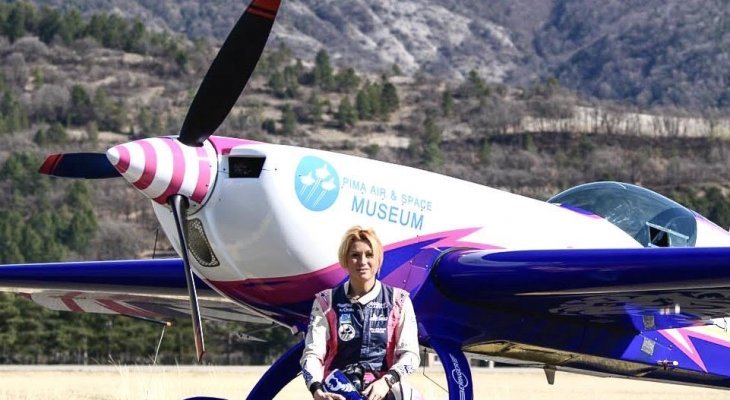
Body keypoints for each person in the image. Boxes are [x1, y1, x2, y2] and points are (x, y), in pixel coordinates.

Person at [301, 226, 421, 400]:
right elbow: (312, 354)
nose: (362, 261)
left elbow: (411, 355)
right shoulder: (326, 301)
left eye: (369, 255)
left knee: (409, 395)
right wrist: (317, 390)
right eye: (355, 255)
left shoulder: (399, 300)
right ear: (345, 260)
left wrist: (387, 381)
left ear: (378, 259)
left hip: (382, 388)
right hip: (338, 389)